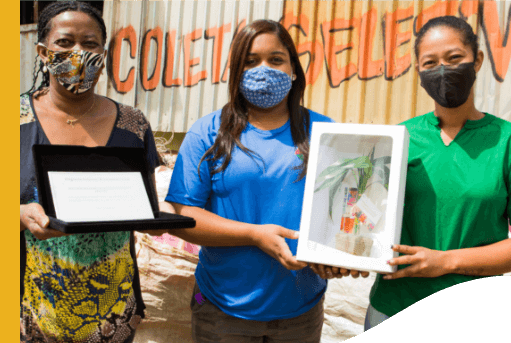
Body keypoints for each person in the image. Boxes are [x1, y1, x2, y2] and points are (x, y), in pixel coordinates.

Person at [162, 19, 366, 343]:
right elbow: (182, 218)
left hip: (301, 313)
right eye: (251, 61)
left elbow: (347, 210)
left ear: (294, 70)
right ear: (236, 72)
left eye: (275, 59)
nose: (263, 69)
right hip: (222, 312)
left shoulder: (324, 133)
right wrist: (255, 235)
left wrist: (341, 256)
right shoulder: (207, 132)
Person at [359, 16, 511, 329]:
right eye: (430, 62)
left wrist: (444, 261)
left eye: (454, 58)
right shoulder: (399, 138)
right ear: (419, 72)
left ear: (477, 60)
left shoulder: (505, 141)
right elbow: (363, 216)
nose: (442, 69)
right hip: (393, 306)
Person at [20, 2, 160, 342]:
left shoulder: (133, 125)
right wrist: (18, 213)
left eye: (90, 43)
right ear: (42, 52)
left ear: (104, 52)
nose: (78, 52)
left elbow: (147, 206)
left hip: (113, 315)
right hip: (27, 313)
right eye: (65, 43)